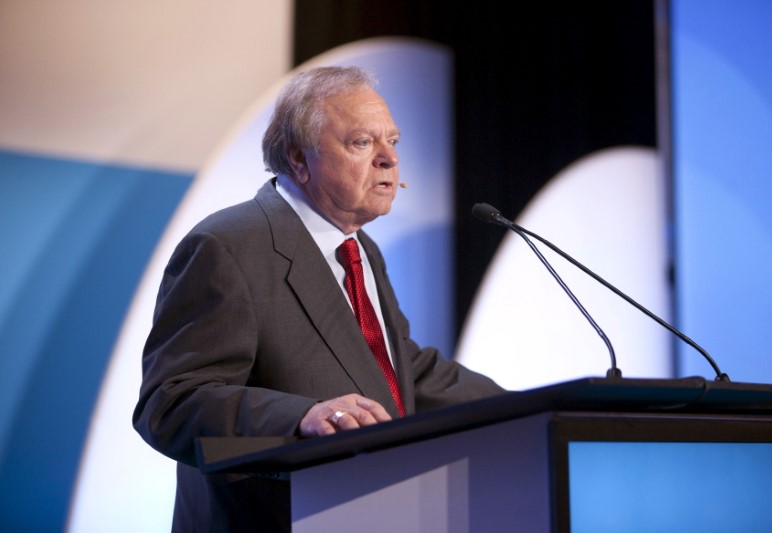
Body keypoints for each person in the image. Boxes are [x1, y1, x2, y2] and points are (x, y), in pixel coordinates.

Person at [132, 65, 506, 531]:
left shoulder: (359, 248)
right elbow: (171, 402)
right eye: (361, 143)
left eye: (393, 141)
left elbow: (397, 367)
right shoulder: (228, 245)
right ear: (299, 159)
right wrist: (302, 416)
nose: (389, 159)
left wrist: (525, 408)